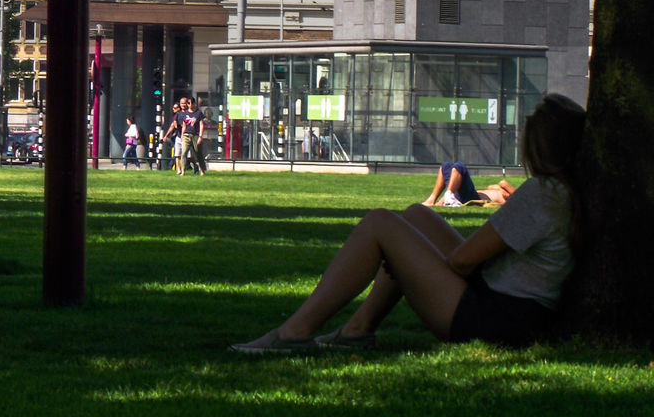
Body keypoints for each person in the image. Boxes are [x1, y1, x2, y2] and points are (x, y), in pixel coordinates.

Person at [232, 94, 584, 353]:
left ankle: (295, 332)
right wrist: (417, 260)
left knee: (380, 224)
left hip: (494, 318)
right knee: (416, 216)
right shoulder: (569, 192)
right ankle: (358, 329)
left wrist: (418, 268)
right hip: (511, 310)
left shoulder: (544, 193)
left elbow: (463, 261)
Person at [422, 162, 517, 208]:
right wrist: (499, 189)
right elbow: (491, 187)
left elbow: (503, 183)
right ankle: (432, 200)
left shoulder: (518, 197)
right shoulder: (503, 193)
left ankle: (447, 196)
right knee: (446, 166)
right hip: (468, 195)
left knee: (460, 167)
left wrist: (500, 188)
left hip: (473, 198)